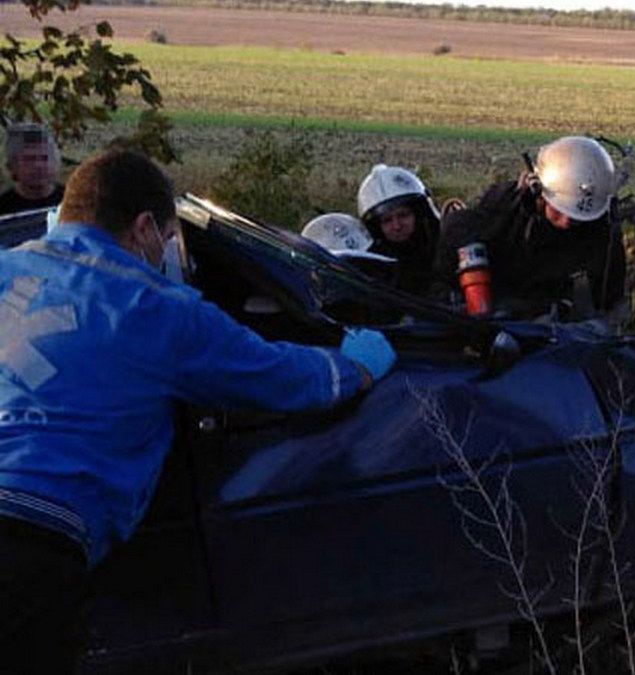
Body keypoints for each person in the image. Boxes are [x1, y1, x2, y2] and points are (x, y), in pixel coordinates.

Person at [0, 148, 397, 672]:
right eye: (167, 239)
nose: (165, 252)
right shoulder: (156, 308)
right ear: (144, 227)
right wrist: (356, 366)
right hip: (31, 543)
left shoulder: (8, 267)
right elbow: (280, 377)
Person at [433, 136, 626, 324]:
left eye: (577, 218)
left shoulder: (602, 230)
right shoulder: (507, 208)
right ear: (540, 193)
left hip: (557, 332)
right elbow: (456, 237)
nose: (566, 222)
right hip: (489, 317)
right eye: (559, 210)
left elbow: (609, 299)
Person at [356, 164, 441, 295]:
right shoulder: (373, 268)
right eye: (387, 221)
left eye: (403, 215)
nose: (397, 226)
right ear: (376, 227)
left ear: (419, 214)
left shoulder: (442, 247)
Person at [0, 122, 65, 215]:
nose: (39, 166)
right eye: (29, 159)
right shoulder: (3, 209)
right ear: (11, 165)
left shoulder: (75, 200)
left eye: (44, 158)